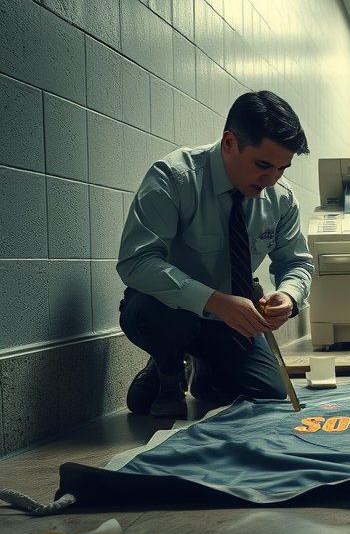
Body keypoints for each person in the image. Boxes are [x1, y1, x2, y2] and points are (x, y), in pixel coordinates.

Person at [117, 90, 314, 417]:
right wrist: (215, 300)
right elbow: (136, 261)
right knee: (153, 318)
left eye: (282, 169)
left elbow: (295, 263)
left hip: (229, 322)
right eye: (262, 165)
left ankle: (206, 370)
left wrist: (289, 296)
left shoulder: (281, 198)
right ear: (229, 142)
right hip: (168, 311)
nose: (271, 180)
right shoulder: (174, 178)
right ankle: (168, 367)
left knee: (270, 395)